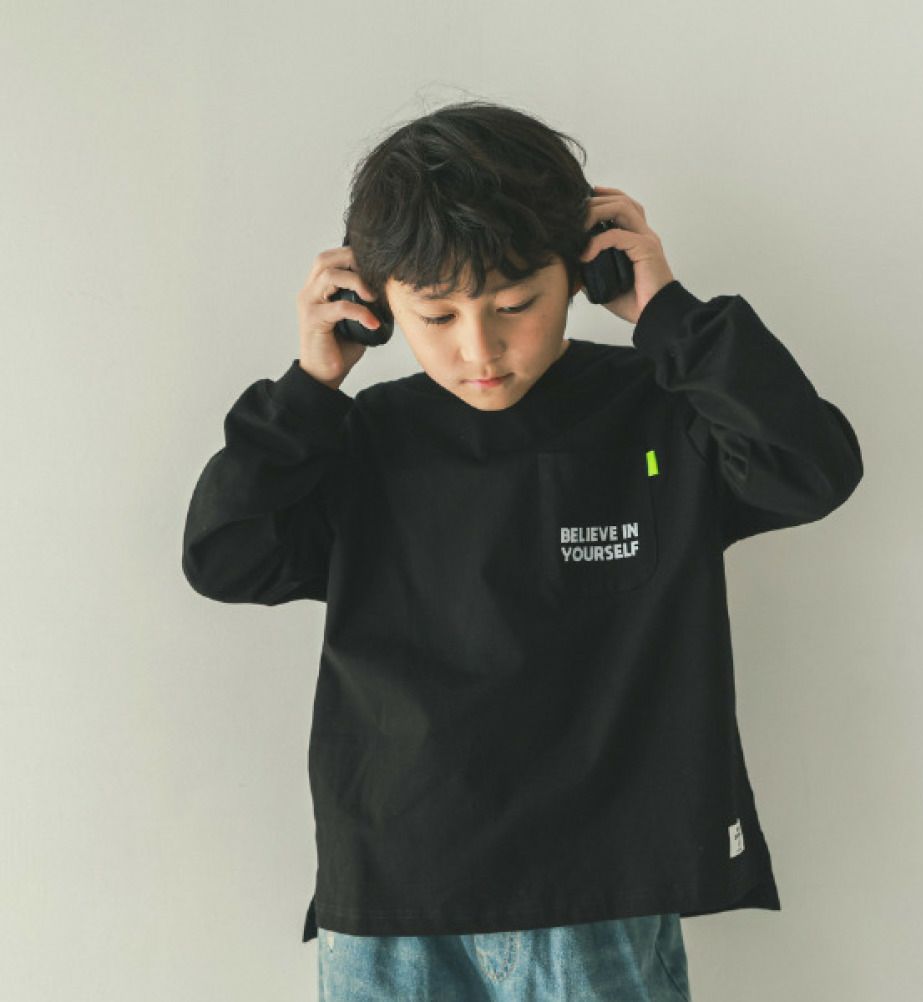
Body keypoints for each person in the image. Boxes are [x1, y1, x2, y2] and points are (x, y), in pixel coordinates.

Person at [181, 100, 863, 1001]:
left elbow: (809, 468)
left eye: (514, 305)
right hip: (395, 898)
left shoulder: (659, 412)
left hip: (599, 896)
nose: (481, 348)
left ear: (581, 269)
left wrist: (669, 314)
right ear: (373, 305)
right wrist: (309, 388)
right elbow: (224, 556)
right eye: (436, 315)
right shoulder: (360, 440)